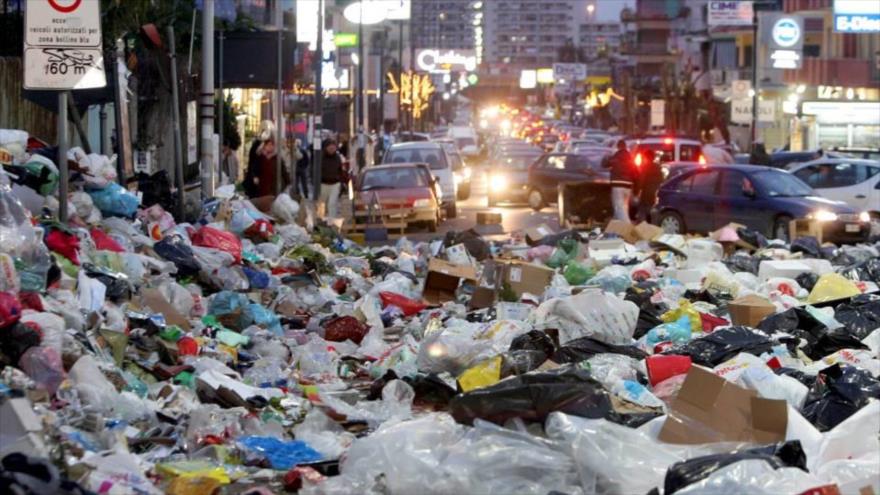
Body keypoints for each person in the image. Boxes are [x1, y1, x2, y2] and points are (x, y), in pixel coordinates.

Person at [604, 139, 636, 222]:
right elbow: (635, 172)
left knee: (619, 207)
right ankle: (617, 227)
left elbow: (604, 164)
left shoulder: (616, 157)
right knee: (624, 207)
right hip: (628, 186)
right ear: (625, 147)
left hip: (617, 185)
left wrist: (606, 156)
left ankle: (627, 226)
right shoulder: (631, 158)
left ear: (618, 147)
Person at [318, 139, 344, 218]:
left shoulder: (338, 157)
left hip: (335, 184)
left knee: (332, 204)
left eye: (333, 148)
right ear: (326, 148)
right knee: (322, 204)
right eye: (330, 148)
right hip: (323, 184)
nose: (332, 149)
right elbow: (315, 170)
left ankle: (332, 222)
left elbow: (340, 170)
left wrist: (341, 181)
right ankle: (321, 220)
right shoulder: (321, 157)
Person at [635, 149, 662, 223]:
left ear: (646, 158)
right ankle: (653, 228)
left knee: (642, 212)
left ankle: (641, 229)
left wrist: (637, 191)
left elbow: (641, 180)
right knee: (652, 211)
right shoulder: (658, 167)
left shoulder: (645, 167)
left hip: (646, 193)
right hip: (654, 193)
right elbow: (661, 180)